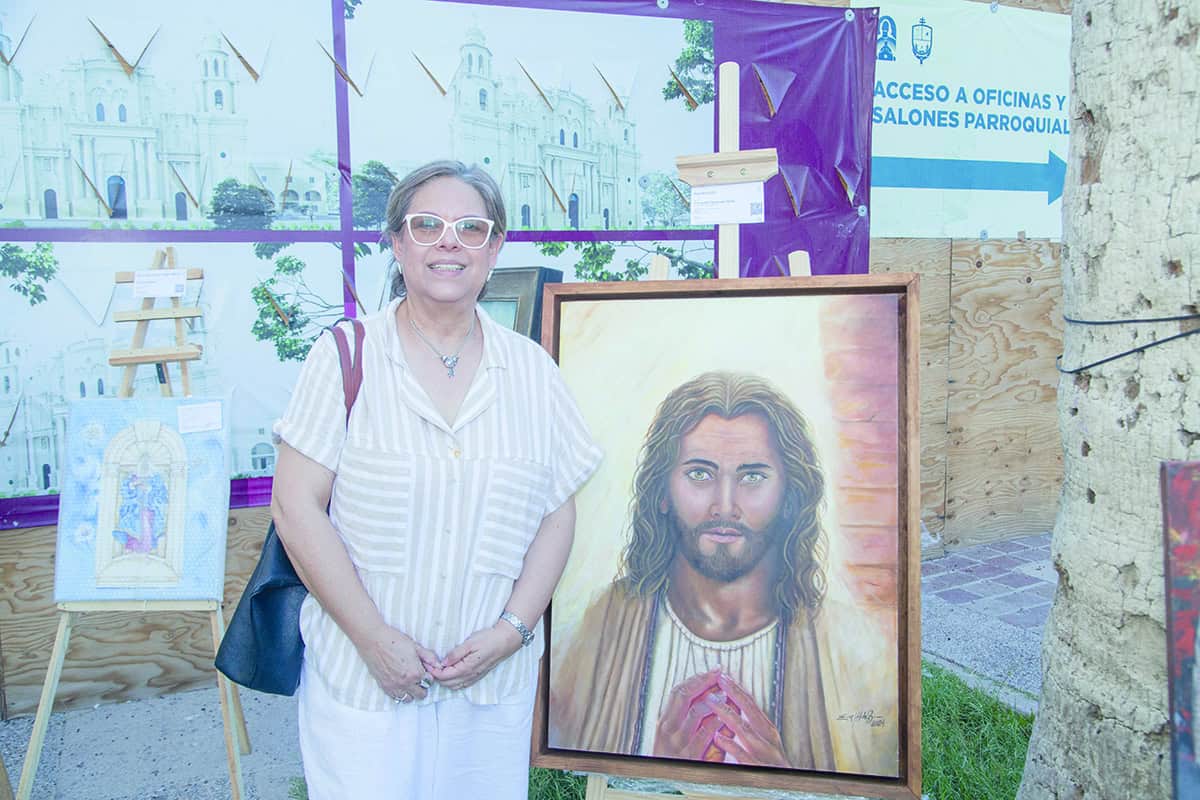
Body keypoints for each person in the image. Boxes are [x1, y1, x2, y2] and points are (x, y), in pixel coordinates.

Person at [271, 160, 602, 800]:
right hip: (361, 683)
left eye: (470, 228)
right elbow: (295, 508)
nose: (449, 242)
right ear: (397, 244)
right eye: (427, 225)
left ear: (495, 246)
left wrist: (511, 632)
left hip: (489, 693)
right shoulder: (347, 355)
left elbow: (557, 513)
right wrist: (374, 641)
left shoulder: (532, 371)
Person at [549, 371, 897, 775]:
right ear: (661, 492)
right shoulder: (604, 624)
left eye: (752, 476)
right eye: (700, 473)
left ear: (790, 496)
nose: (724, 504)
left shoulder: (852, 648)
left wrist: (782, 778)